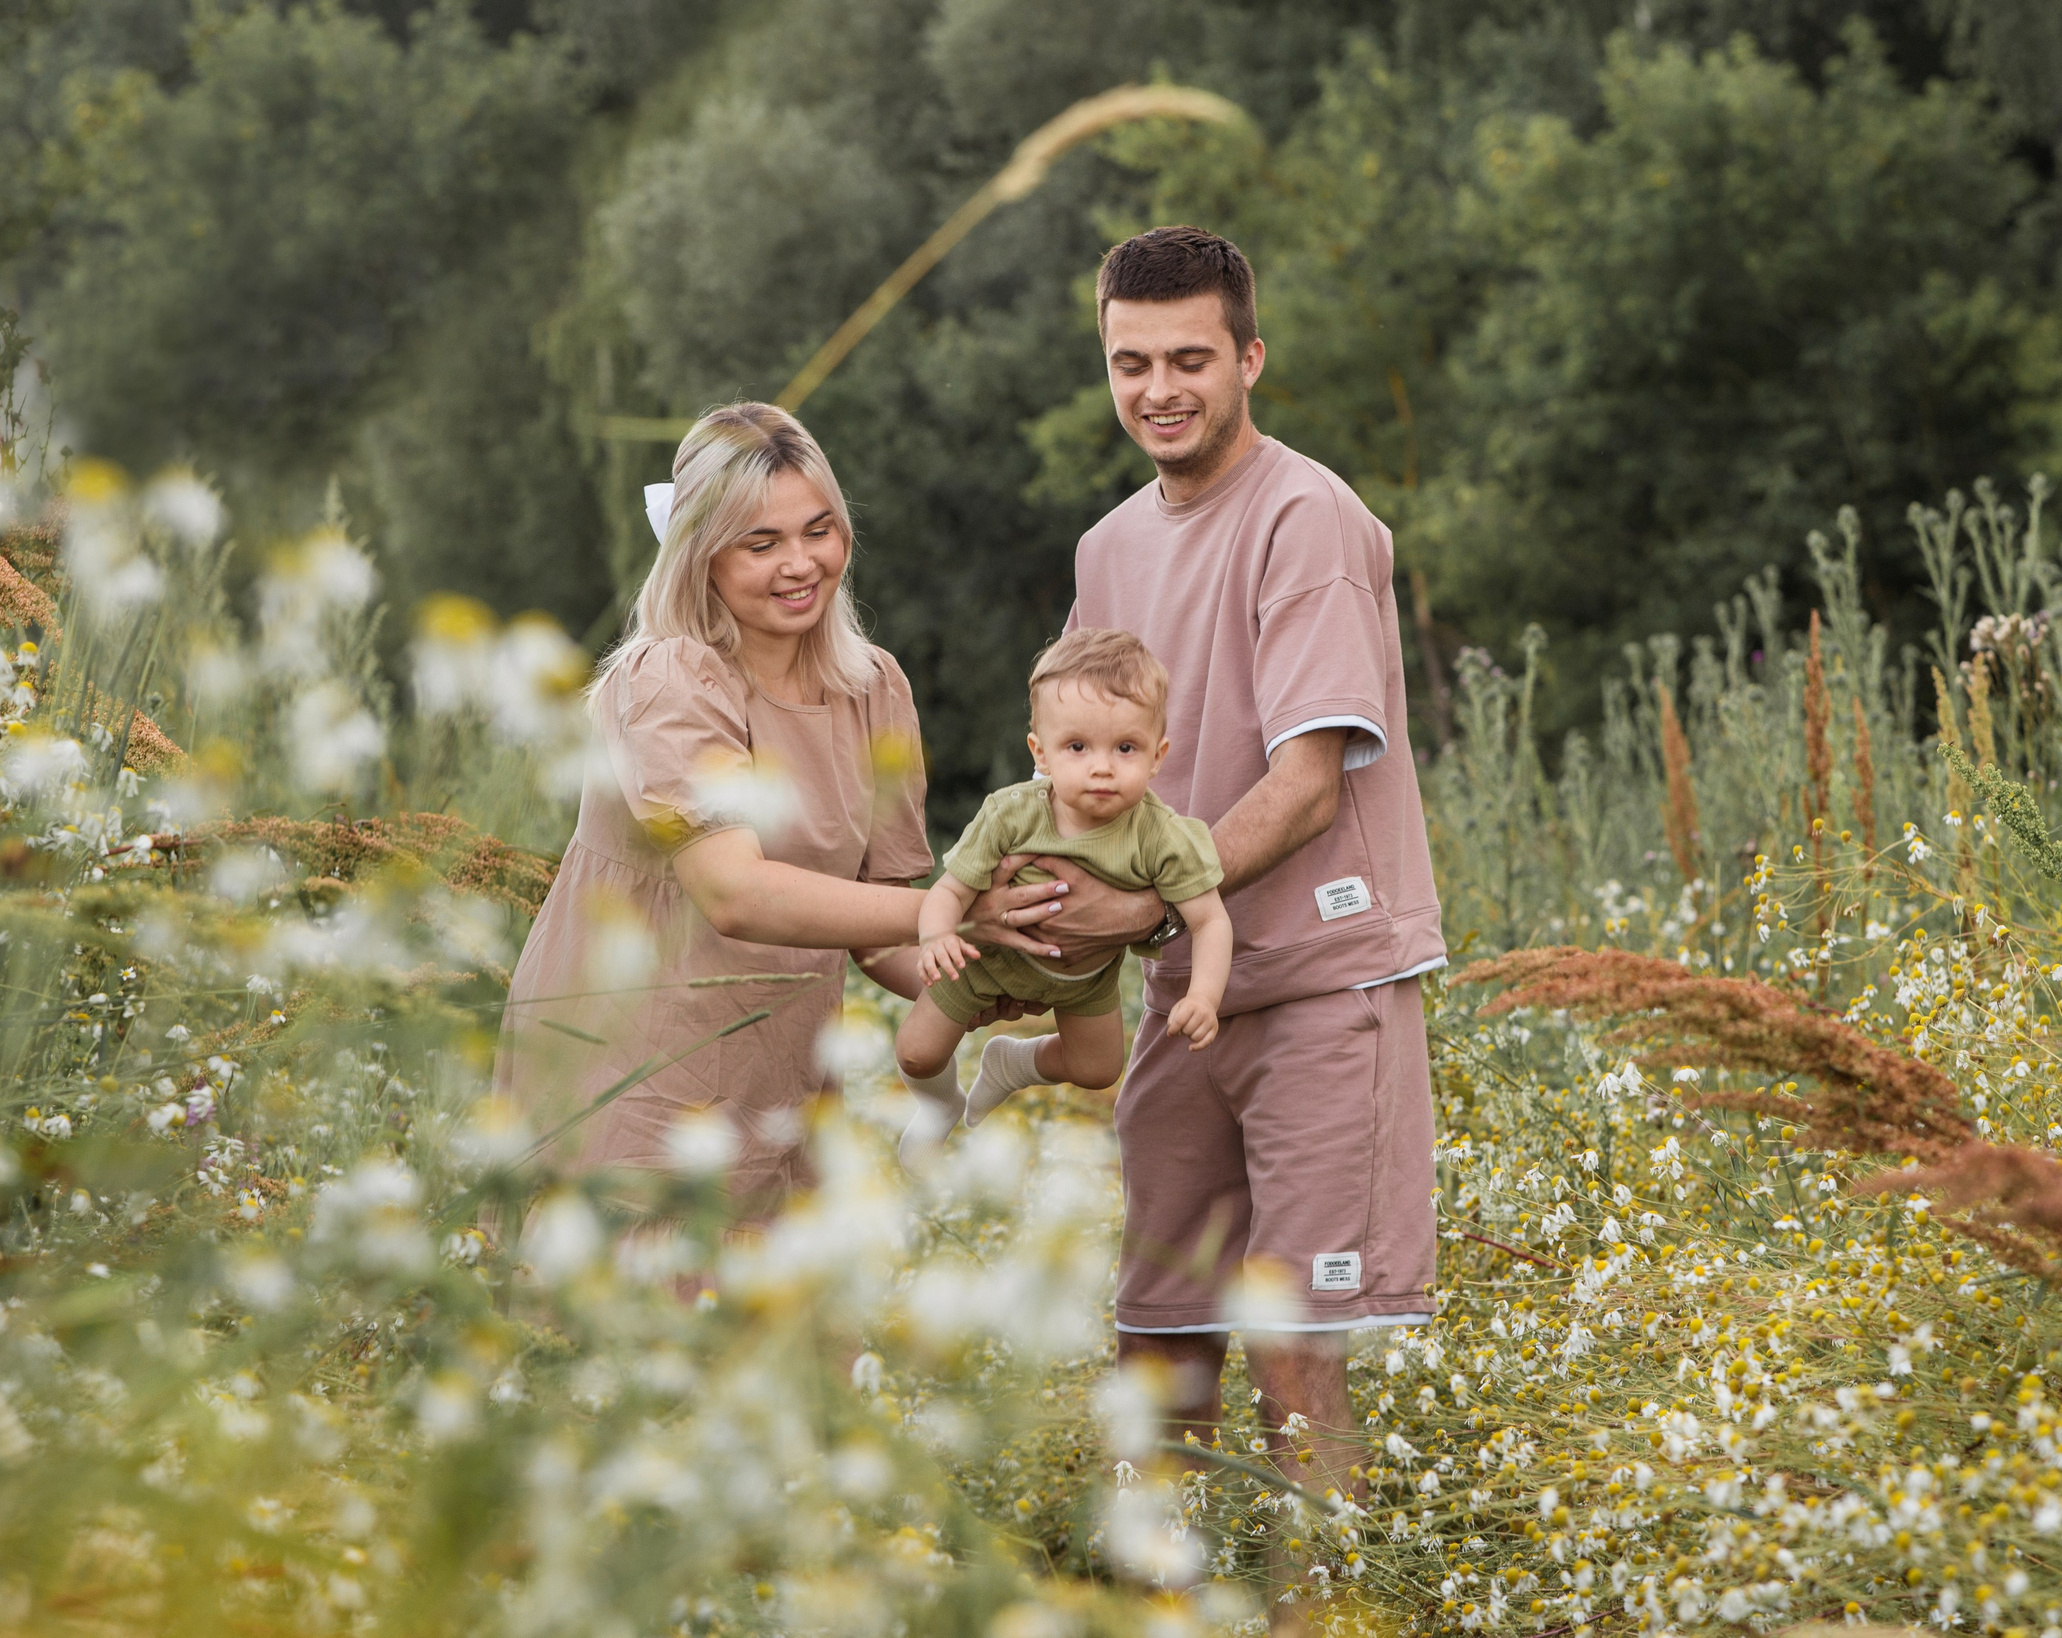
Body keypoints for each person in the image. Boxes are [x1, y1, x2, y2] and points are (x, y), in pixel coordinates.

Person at [964, 226, 1445, 1625]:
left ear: (1249, 358)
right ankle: (1156, 1609)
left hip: (1318, 984)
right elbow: (1087, 774)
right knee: (1158, 1333)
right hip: (1184, 995)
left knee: (1293, 1346)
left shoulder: (1309, 519)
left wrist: (1139, 901)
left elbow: (1305, 784)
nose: (1159, 389)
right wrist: (1027, 916)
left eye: (1189, 358)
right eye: (1132, 362)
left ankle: (1320, 1614)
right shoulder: (1107, 548)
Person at [495, 402, 1060, 1211]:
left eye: (819, 530)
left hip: (782, 1081)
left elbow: (882, 932)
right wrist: (960, 910)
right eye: (761, 544)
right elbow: (735, 893)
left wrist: (986, 973)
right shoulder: (670, 680)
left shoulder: (873, 688)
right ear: (701, 554)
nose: (801, 564)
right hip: (630, 1073)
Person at [894, 629, 1231, 1171]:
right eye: (1078, 747)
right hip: (986, 962)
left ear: (1158, 755)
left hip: (1084, 979)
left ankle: (1012, 1064)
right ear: (1041, 753)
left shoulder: (1161, 834)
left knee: (1098, 1070)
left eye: (1125, 748)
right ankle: (938, 1105)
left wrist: (1204, 996)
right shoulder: (1011, 814)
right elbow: (950, 890)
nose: (1102, 767)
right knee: (915, 1052)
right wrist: (936, 936)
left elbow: (1210, 919)